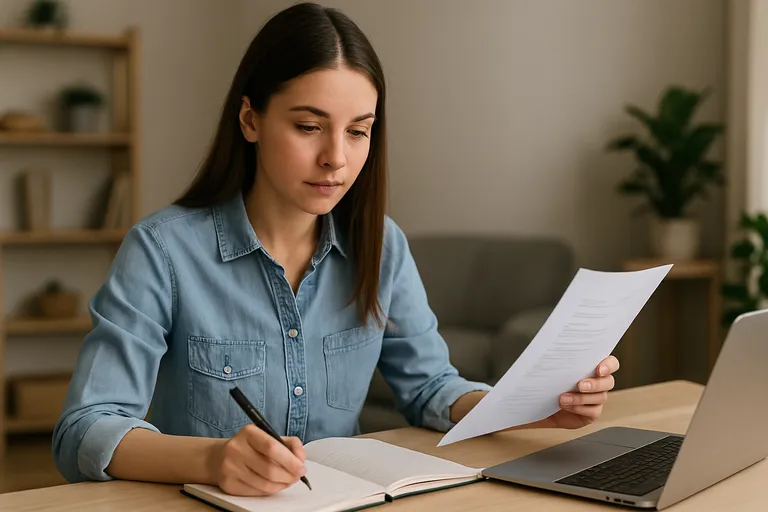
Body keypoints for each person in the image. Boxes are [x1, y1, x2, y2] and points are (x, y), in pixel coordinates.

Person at [52, 2, 620, 498]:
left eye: (358, 130)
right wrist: (212, 459)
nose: (336, 159)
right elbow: (86, 427)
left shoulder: (382, 244)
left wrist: (536, 407)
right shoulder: (163, 250)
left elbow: (430, 388)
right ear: (250, 119)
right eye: (308, 126)